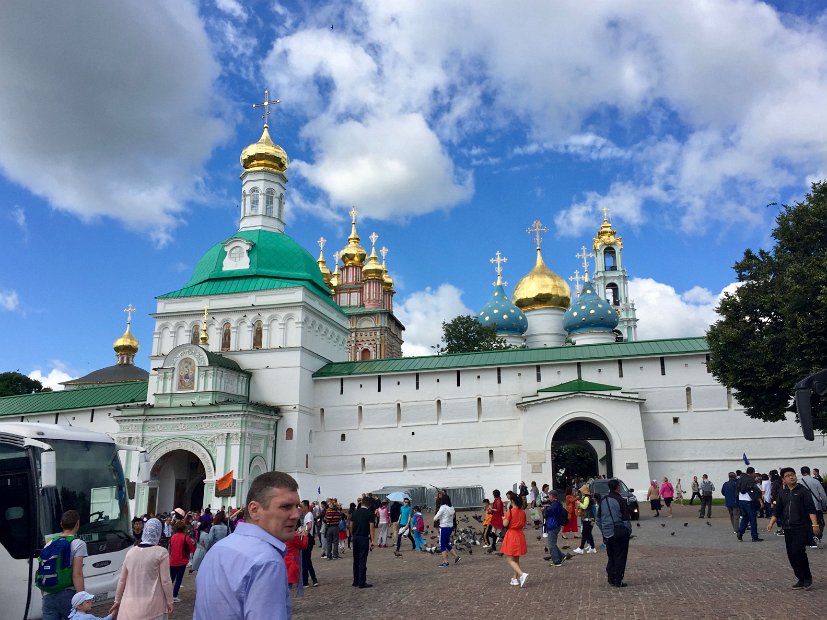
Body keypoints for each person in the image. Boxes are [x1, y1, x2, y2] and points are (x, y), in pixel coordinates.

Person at [194, 471, 301, 620]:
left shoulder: (218, 549)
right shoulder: (267, 561)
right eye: (285, 507)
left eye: (297, 506)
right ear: (254, 510)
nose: (296, 514)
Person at [109, 518, 174, 620]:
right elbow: (166, 581)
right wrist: (170, 601)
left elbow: (122, 580)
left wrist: (117, 601)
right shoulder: (161, 552)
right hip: (154, 607)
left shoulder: (131, 552)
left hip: (128, 607)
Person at [767, 467, 819, 590]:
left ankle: (807, 578)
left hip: (801, 526)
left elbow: (811, 509)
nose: (791, 477)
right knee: (791, 554)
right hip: (788, 528)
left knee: (798, 552)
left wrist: (815, 525)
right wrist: (771, 523)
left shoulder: (803, 491)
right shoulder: (782, 493)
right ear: (783, 479)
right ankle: (800, 578)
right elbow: (777, 510)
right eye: (788, 475)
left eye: (792, 474)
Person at [42, 510, 88, 620]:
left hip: (48, 596)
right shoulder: (79, 544)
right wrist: (82, 600)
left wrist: (45, 596)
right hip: (67, 595)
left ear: (61, 525)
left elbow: (42, 570)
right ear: (77, 524)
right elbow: (77, 574)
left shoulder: (49, 543)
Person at [597, 479, 632, 587]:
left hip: (607, 532)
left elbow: (598, 519)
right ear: (617, 487)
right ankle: (618, 579)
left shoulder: (603, 500)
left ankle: (610, 577)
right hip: (619, 531)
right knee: (620, 556)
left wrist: (603, 530)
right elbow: (626, 519)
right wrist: (628, 531)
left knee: (611, 555)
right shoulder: (620, 500)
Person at [501, 494, 528, 587]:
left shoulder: (510, 512)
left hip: (512, 535)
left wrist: (504, 518)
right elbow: (524, 523)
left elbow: (505, 524)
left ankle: (521, 574)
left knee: (509, 559)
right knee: (516, 558)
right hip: (520, 534)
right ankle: (515, 578)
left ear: (512, 501)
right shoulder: (523, 512)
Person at [349, 495, 376, 588]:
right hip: (364, 537)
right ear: (369, 504)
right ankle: (362, 581)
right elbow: (371, 527)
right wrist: (372, 540)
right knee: (362, 560)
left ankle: (355, 580)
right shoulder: (370, 513)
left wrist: (352, 535)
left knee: (355, 560)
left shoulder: (355, 512)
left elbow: (351, 525)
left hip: (355, 537)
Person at [167, 520, 195, 602]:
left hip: (172, 560)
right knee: (178, 579)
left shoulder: (173, 537)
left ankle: (166, 594)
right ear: (184, 529)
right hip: (182, 560)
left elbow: (170, 547)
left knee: (171, 579)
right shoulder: (186, 538)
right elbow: (192, 549)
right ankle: (174, 596)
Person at [800, 466, 827, 542]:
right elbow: (822, 494)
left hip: (803, 506)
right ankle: (817, 536)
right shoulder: (815, 481)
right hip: (816, 505)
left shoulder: (799, 482)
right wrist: (825, 505)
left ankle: (809, 538)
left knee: (807, 522)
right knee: (819, 522)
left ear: (801, 472)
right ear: (809, 472)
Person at [737, 467, 764, 542]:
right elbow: (755, 491)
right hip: (748, 501)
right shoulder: (751, 480)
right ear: (752, 473)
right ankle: (754, 536)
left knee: (745, 517)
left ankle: (740, 532)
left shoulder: (740, 478)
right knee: (753, 519)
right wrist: (760, 500)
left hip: (741, 499)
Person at [434, 493, 461, 567]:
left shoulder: (443, 507)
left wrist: (440, 517)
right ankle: (456, 557)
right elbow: (452, 518)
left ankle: (445, 562)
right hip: (450, 527)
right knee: (446, 543)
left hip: (443, 527)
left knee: (442, 545)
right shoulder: (452, 507)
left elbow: (435, 518)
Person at [284, 520, 308, 593]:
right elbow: (303, 545)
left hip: (284, 560)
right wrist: (305, 537)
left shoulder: (283, 534)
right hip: (291, 561)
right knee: (288, 588)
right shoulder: (293, 536)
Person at [544, 490, 566, 566]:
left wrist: (544, 510)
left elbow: (547, 513)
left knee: (551, 545)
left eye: (549, 496)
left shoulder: (554, 505)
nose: (548, 497)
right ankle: (561, 556)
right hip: (555, 525)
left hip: (553, 526)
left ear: (553, 496)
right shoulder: (557, 504)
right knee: (553, 543)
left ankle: (556, 561)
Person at [573, 484, 597, 554]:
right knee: (588, 533)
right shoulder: (588, 498)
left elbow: (584, 506)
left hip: (587, 517)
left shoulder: (586, 498)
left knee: (584, 533)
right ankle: (592, 547)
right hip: (589, 517)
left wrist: (579, 503)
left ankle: (581, 548)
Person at [300, 500, 319, 587]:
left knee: (305, 560)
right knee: (307, 560)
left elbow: (310, 526)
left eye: (302, 506)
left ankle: (306, 581)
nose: (301, 508)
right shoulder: (309, 515)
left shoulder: (308, 515)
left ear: (306, 507)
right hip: (309, 539)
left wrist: (304, 531)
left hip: (307, 539)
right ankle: (313, 579)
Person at [487, 489, 505, 553]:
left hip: (498, 518)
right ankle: (493, 546)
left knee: (500, 533)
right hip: (496, 518)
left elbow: (498, 510)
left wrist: (491, 509)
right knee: (495, 532)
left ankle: (494, 545)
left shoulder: (498, 501)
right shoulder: (498, 500)